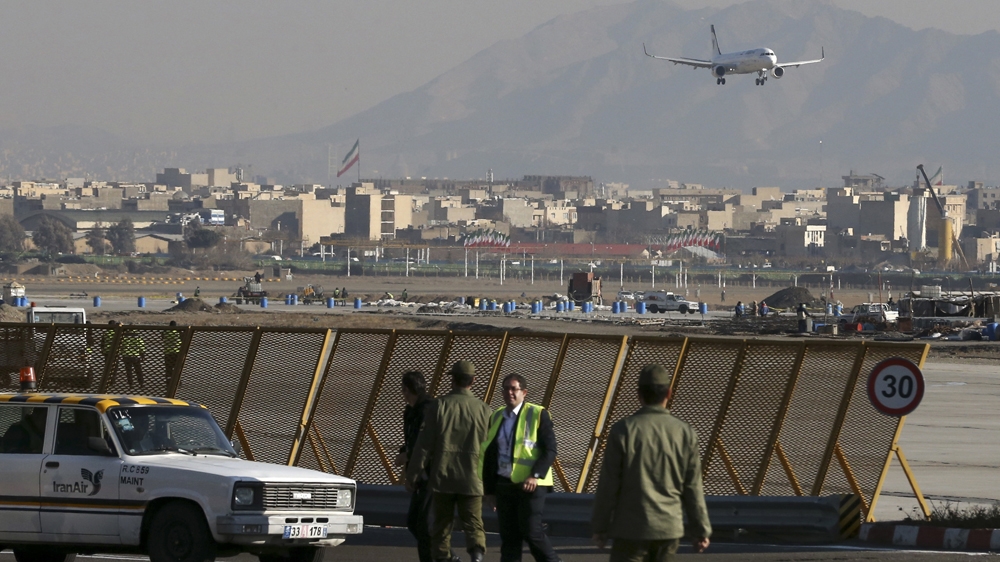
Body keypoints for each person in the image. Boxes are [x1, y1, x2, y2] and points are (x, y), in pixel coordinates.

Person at [591, 364, 711, 562]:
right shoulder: (684, 432)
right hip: (668, 528)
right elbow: (692, 487)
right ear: (669, 393)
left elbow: (608, 484)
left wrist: (600, 527)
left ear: (638, 394)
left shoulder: (623, 430)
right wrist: (701, 529)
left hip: (630, 529)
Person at [407, 361, 491, 562]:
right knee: (473, 523)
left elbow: (424, 445)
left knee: (442, 526)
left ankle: (444, 559)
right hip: (472, 479)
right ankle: (477, 556)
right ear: (473, 381)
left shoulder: (439, 406)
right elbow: (491, 449)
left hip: (443, 477)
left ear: (452, 379)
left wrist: (412, 475)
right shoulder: (484, 410)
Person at [479, 374, 559, 562]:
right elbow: (491, 455)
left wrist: (535, 475)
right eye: (506, 388)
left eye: (514, 389)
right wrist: (489, 490)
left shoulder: (538, 414)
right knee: (509, 538)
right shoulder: (497, 415)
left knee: (532, 533)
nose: (509, 392)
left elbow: (551, 450)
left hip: (531, 485)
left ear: (524, 392)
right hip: (504, 485)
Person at [395, 371, 434, 562]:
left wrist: (407, 457)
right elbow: (410, 441)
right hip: (418, 473)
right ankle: (441, 554)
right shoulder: (410, 412)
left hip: (432, 473)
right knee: (414, 522)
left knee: (423, 525)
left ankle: (443, 555)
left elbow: (426, 444)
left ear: (406, 390)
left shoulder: (427, 409)